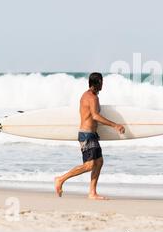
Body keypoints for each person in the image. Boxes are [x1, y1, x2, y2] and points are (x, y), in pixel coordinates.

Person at [54, 72, 125, 200]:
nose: (103, 84)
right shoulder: (92, 98)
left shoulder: (90, 96)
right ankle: (61, 179)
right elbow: (95, 116)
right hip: (86, 135)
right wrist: (115, 125)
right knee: (89, 165)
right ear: (97, 83)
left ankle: (92, 192)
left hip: (91, 134)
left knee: (99, 162)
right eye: (101, 82)